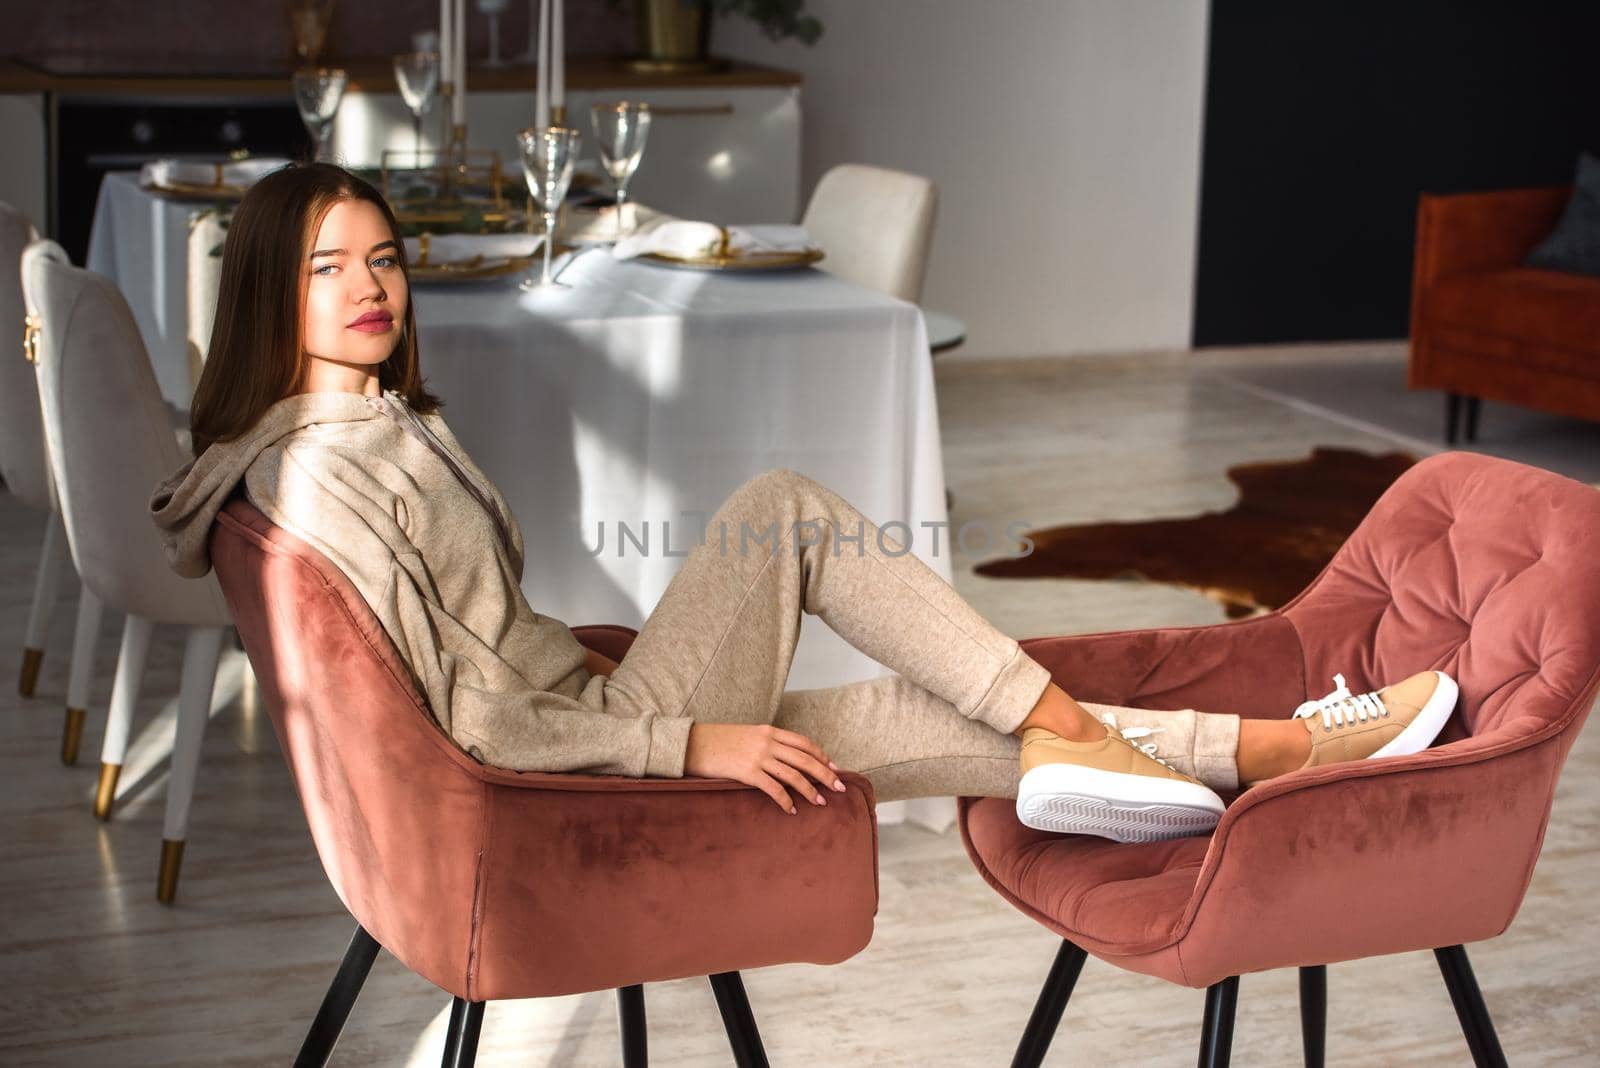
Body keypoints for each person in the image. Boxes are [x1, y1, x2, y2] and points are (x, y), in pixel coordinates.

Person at [149, 163, 1459, 844]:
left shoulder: (343, 429)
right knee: (786, 508)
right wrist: (689, 746)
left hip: (594, 711)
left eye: (384, 260)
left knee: (929, 712)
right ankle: (1115, 733)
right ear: (275, 290)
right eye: (331, 269)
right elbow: (476, 716)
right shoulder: (324, 467)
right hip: (588, 744)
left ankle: (1282, 751)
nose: (373, 287)